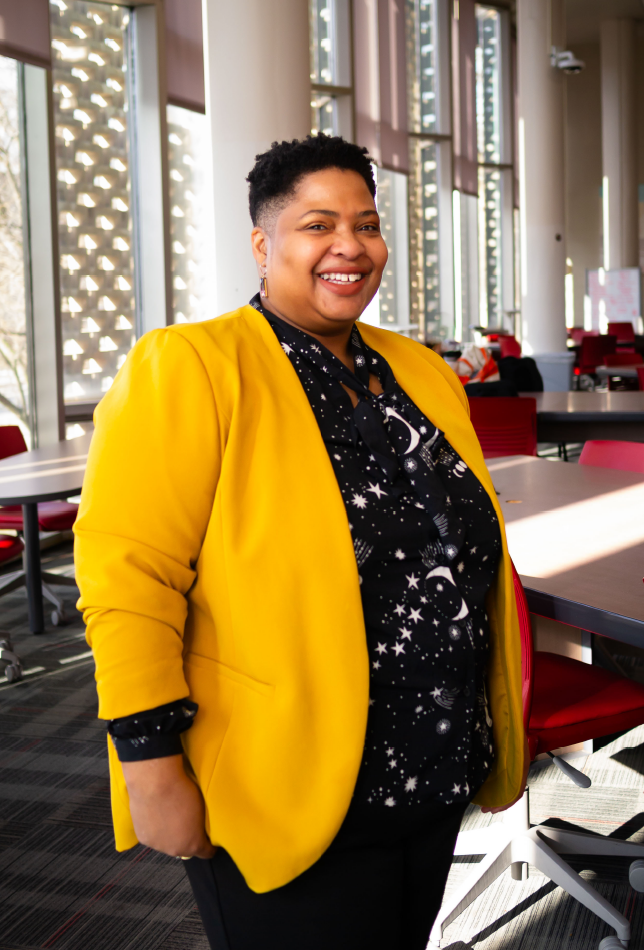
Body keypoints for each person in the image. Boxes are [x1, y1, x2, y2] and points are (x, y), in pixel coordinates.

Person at [74, 134, 527, 950]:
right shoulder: (191, 366)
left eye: (366, 223)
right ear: (263, 243)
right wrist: (149, 767)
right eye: (318, 225)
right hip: (283, 772)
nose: (349, 246)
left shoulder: (417, 370)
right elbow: (127, 577)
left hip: (430, 758)